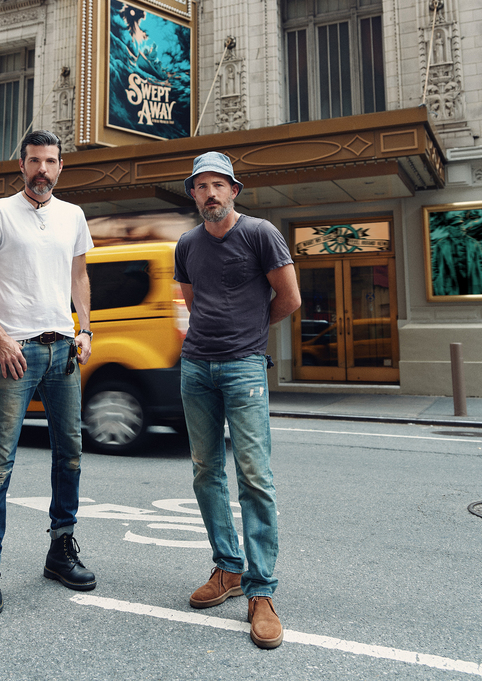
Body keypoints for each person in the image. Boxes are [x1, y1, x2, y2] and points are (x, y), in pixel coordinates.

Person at [0, 130, 96, 618]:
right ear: (21, 165)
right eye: (35, 161)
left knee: (72, 455)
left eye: (52, 161)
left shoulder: (73, 216)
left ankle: (60, 551)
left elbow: (79, 276)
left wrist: (86, 330)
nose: (43, 169)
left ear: (61, 167)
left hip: (64, 351)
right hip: (14, 353)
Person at [174, 152, 301, 650]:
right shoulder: (186, 244)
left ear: (234, 190)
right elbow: (192, 299)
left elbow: (288, 298)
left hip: (245, 366)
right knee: (206, 470)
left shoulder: (261, 233)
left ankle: (261, 591)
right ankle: (227, 569)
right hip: (196, 366)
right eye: (201, 186)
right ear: (194, 195)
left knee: (254, 475)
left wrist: (249, 334)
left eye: (217, 185)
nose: (210, 193)